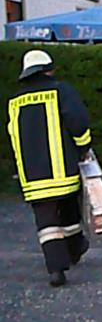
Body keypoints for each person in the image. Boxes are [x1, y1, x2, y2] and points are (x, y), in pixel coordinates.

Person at [6, 50, 91, 286]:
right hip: (62, 170)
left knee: (46, 221)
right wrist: (84, 147)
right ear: (48, 70)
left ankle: (56, 269)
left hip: (32, 174)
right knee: (69, 212)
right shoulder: (60, 91)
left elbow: (13, 134)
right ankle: (75, 249)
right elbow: (78, 122)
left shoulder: (15, 101)